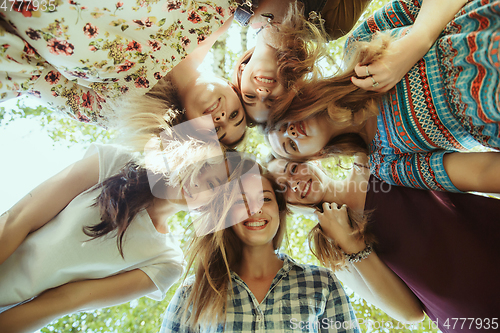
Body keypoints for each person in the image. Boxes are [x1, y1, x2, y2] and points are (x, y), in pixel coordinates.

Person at [0, 138, 234, 332]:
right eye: (202, 166)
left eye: (212, 185)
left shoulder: (166, 262)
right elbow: (19, 219)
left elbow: (61, 302)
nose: (198, 181)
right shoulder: (115, 162)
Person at [266, 0, 500, 193]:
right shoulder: (386, 164)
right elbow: (481, 174)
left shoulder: (357, 44)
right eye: (291, 145)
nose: (292, 131)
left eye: (285, 121)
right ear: (315, 156)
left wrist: (416, 42)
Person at [267, 156, 500, 333]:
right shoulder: (331, 248)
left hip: (487, 238)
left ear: (311, 158)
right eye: (283, 188)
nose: (294, 183)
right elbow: (409, 313)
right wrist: (351, 245)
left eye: (294, 169)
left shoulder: (366, 161)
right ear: (287, 207)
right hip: (472, 313)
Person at [0, 1, 246, 146]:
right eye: (235, 114)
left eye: (216, 131)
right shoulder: (215, 14)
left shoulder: (114, 110)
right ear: (234, 87)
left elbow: (28, 73)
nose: (221, 117)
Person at [161, 159, 361, 332]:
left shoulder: (321, 283)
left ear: (279, 209)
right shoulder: (194, 290)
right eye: (241, 201)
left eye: (265, 198)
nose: (254, 210)